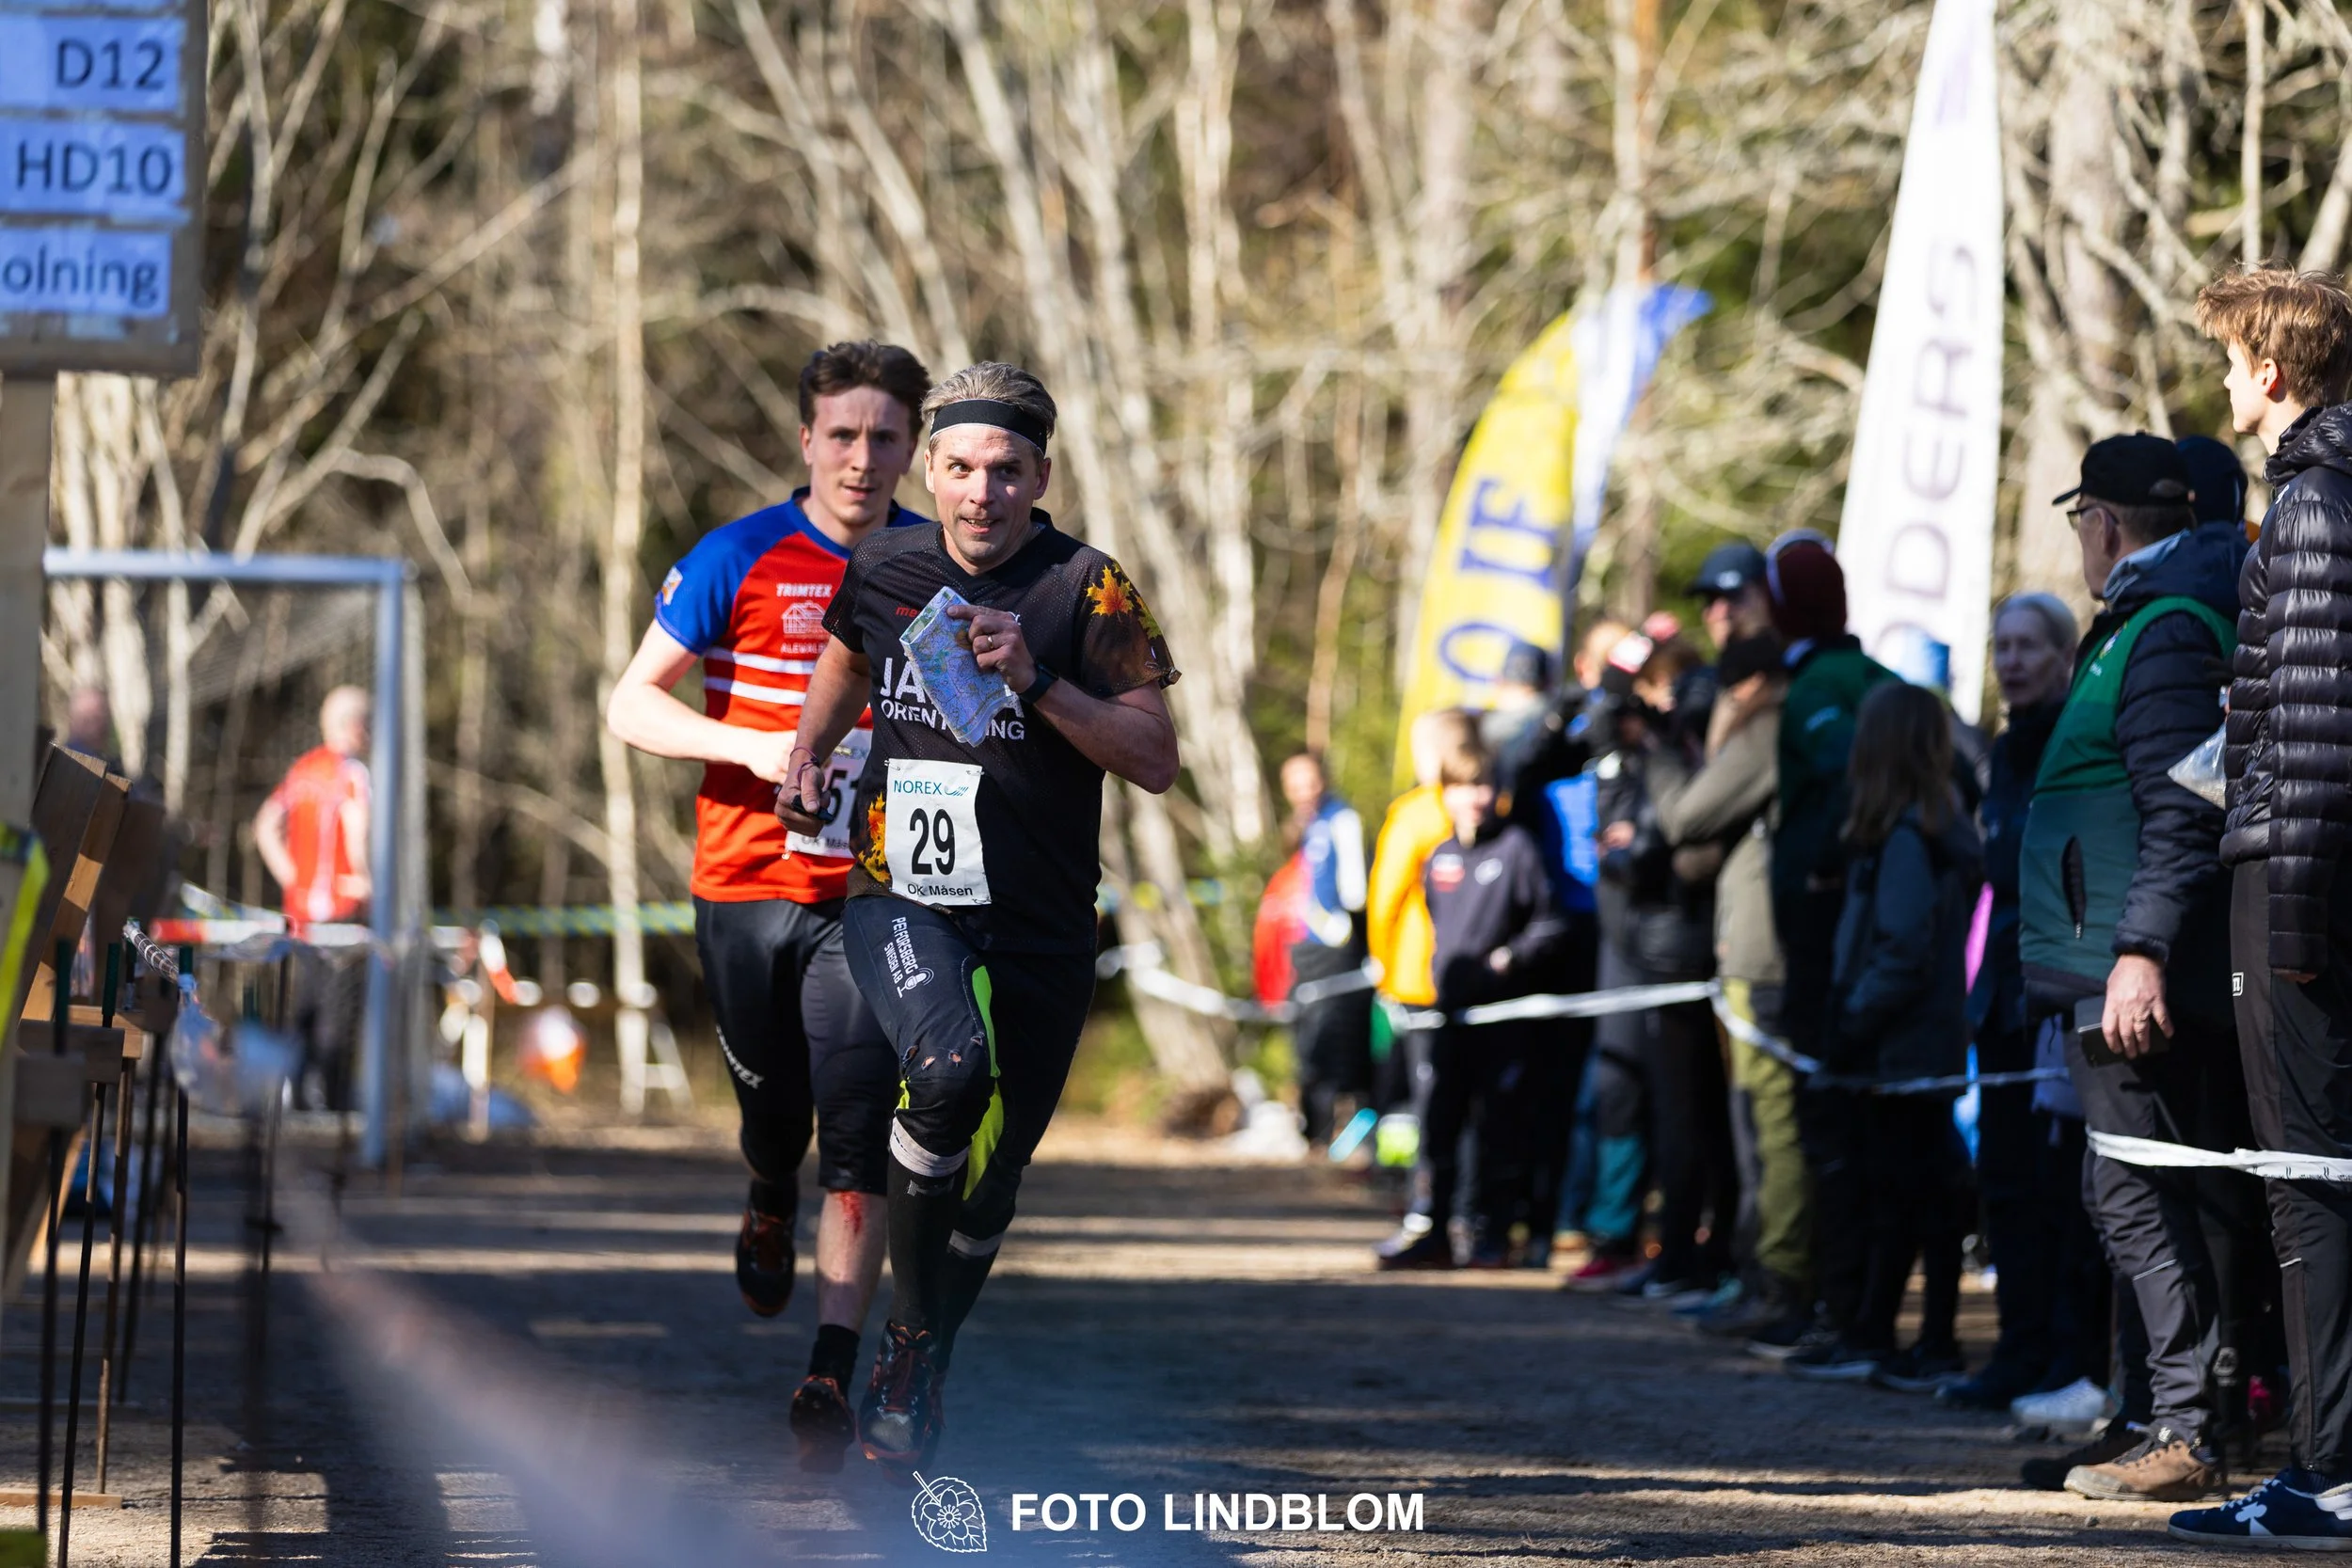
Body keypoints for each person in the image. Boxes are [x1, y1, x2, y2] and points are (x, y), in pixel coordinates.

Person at [778, 359, 1181, 1474]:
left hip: (1042, 920)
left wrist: (1039, 683)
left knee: (993, 1182)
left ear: (1040, 476)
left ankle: (923, 1349)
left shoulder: (1087, 588)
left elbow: (1155, 758)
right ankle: (903, 1350)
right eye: (958, 466)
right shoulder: (886, 564)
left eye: (1005, 470)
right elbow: (845, 656)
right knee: (948, 1069)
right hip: (903, 894)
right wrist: (809, 751)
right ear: (929, 468)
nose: (980, 492)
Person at [605, 341, 930, 1471]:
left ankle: (829, 1369)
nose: (862, 457)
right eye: (842, 434)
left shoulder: (931, 563)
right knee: (774, 1111)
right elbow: (630, 704)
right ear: (807, 439)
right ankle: (762, 1182)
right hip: (745, 882)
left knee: (858, 1129)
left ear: (911, 448)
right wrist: (754, 744)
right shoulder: (738, 554)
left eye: (885, 437)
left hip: (872, 894)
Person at [2016, 433, 2251, 1503]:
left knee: (2134, 1187)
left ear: (2102, 524)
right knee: (2131, 1186)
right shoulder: (2140, 625)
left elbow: (2181, 807)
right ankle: (2153, 1412)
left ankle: (2185, 1428)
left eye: (2080, 521)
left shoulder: (2160, 630)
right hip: (2106, 952)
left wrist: (2139, 949)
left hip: (2129, 961)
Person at [2173, 264, 2352, 1549]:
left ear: (2272, 371)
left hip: (2293, 889)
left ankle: (2329, 1469)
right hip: (2293, 875)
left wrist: (2291, 924)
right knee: (2308, 1182)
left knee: (2307, 1185)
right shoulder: (2312, 497)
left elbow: (2321, 734)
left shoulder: (2313, 506)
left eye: (2231, 361)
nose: (2225, 382)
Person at [1786, 682, 1981, 1390]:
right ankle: (1901, 1334)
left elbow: (1902, 950)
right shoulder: (1923, 830)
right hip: (1912, 1046)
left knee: (1907, 1196)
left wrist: (1852, 1023)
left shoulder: (1906, 838)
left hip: (1900, 1050)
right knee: (1921, 1191)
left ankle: (1901, 1337)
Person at [1938, 594, 2091, 1418]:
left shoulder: (2075, 738)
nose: (2012, 661)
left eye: (2029, 646)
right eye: (2002, 646)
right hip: (2000, 992)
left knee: (2054, 1187)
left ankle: (2065, 1354)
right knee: (2002, 1181)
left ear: (2065, 655)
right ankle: (2015, 1346)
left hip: (2055, 993)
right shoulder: (2003, 749)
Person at [1756, 531, 1898, 1357]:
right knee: (1856, 1126)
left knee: (1833, 1126)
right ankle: (1847, 1310)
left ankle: (1838, 1313)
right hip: (1854, 937)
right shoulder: (1870, 673)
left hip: (1830, 944)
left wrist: (1825, 868)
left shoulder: (1821, 685)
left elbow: (1852, 771)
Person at [1651, 628, 1800, 1336]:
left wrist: (1657, 754)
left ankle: (1779, 1283)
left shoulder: (1768, 726)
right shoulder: (1779, 725)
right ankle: (1758, 1274)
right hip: (1752, 949)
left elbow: (1686, 817)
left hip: (1764, 958)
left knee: (1770, 1126)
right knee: (1753, 1124)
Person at [1375, 731, 1569, 1268]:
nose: (1475, 798)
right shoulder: (1439, 856)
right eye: (1463, 786)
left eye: (1483, 785)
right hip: (1445, 1015)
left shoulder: (1518, 849)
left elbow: (1550, 923)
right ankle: (1435, 1230)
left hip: (1502, 1016)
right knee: (1440, 1125)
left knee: (1497, 1127)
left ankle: (1492, 1233)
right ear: (1445, 792)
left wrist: (1507, 959)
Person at [254, 686, 373, 1110]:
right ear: (356, 727)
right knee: (339, 1005)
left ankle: (301, 1093)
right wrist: (366, 881)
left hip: (303, 911)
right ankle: (333, 1099)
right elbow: (358, 832)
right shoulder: (352, 773)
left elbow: (265, 825)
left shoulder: (302, 771)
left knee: (307, 1002)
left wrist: (291, 877)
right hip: (342, 907)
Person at [1368, 708, 1482, 1116]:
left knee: (1430, 1094)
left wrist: (1384, 966)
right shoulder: (1494, 802)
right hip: (1482, 973)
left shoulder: (1412, 814)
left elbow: (1385, 899)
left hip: (1421, 976)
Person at [1279, 752, 1373, 1144]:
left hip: (1336, 951)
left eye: (1310, 782)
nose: (1304, 791)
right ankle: (1313, 1133)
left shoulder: (1341, 819)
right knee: (1306, 1042)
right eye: (1295, 785)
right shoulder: (1310, 824)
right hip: (1308, 948)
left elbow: (1355, 892)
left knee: (1335, 1044)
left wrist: (1346, 933)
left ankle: (1339, 1137)